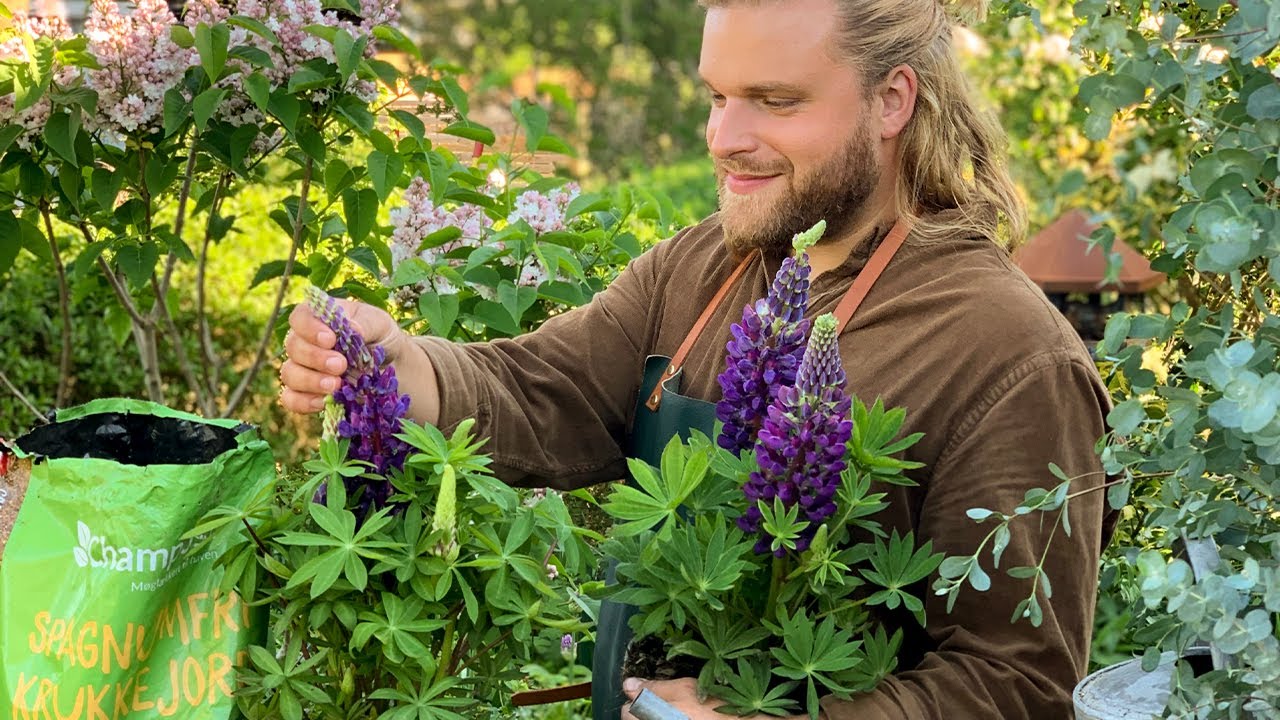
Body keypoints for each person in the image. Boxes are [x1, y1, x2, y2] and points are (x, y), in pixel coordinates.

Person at [279, 0, 1113, 717]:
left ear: (891, 99)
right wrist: (398, 366)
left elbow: (1017, 684)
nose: (724, 138)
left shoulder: (1008, 354)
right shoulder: (707, 266)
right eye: (717, 96)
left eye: (775, 101)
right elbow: (541, 387)